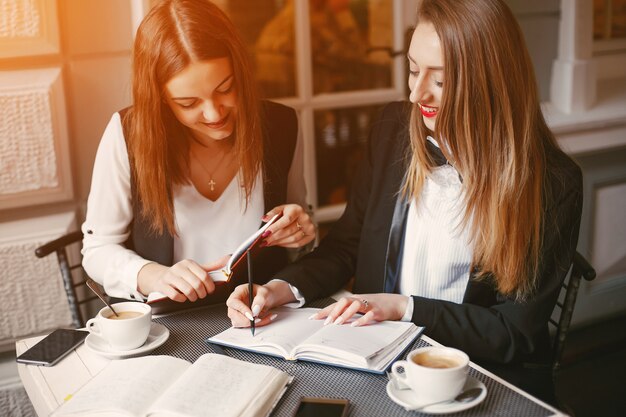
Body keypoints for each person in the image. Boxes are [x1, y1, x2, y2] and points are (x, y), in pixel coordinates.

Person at [226, 0, 582, 403]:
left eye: (441, 80)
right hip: (374, 362)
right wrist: (277, 289)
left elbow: (513, 332)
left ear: (490, 81)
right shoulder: (393, 128)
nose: (415, 93)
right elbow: (347, 245)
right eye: (413, 69)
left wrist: (405, 308)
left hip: (473, 377)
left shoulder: (553, 183)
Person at [81, 0, 315, 305]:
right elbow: (97, 249)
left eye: (226, 88)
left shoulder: (282, 125)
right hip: (169, 325)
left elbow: (300, 234)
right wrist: (154, 276)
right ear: (161, 100)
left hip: (262, 317)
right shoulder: (128, 134)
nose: (213, 113)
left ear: (240, 72)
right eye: (188, 103)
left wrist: (300, 233)